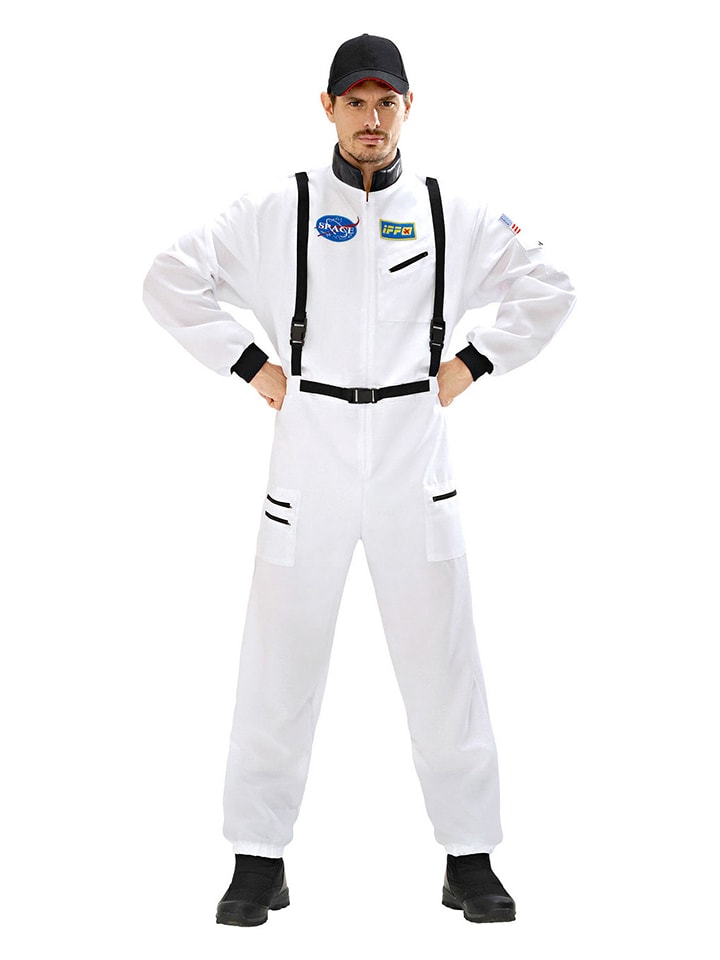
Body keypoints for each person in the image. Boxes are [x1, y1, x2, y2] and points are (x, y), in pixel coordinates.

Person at [143, 33, 575, 927]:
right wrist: (250, 364)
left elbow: (551, 284)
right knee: (281, 651)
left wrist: (474, 362)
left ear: (409, 109)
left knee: (442, 655)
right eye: (355, 102)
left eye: (386, 103)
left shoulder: (453, 212)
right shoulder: (277, 209)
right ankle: (257, 857)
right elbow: (169, 278)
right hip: (310, 447)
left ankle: (469, 856)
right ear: (328, 107)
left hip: (416, 447)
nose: (371, 119)